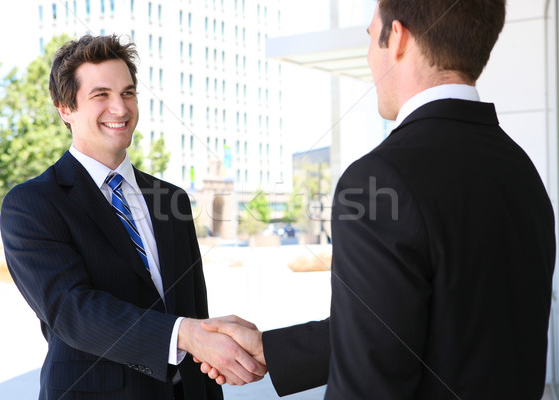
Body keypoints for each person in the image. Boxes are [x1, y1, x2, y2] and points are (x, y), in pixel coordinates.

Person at [197, 0, 556, 398]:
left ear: (397, 38)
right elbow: (437, 323)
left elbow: (368, 386)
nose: (369, 57)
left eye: (371, 37)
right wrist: (274, 350)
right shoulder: (521, 170)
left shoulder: (376, 180)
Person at [0, 34, 265, 400]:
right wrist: (185, 334)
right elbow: (72, 311)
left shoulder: (171, 198)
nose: (120, 108)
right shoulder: (31, 204)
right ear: (65, 108)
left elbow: (192, 308)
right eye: (101, 95)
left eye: (127, 93)